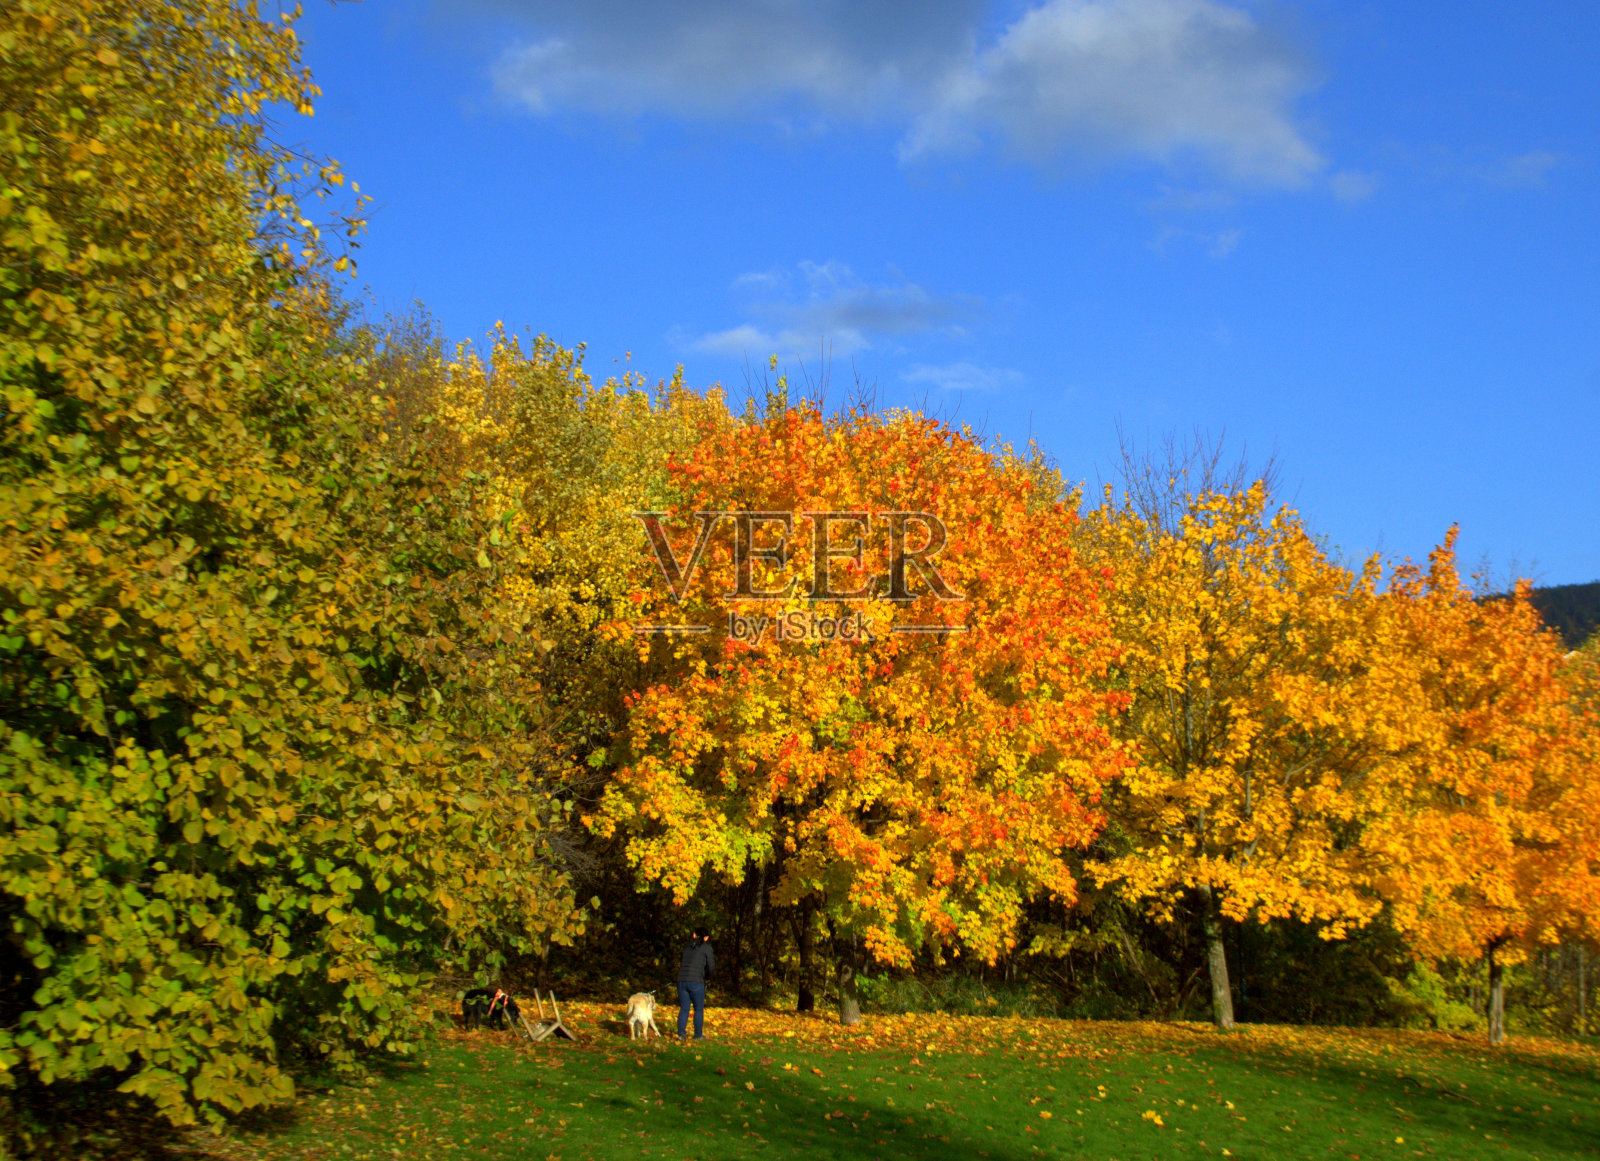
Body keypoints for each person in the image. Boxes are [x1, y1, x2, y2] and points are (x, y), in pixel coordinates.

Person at [675, 927, 714, 1041]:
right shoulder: (707, 948)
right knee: (698, 1009)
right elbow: (711, 967)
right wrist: (707, 978)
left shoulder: (687, 947)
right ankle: (698, 1035)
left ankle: (681, 1034)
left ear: (693, 935)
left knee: (684, 1009)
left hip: (682, 980)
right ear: (706, 938)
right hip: (697, 981)